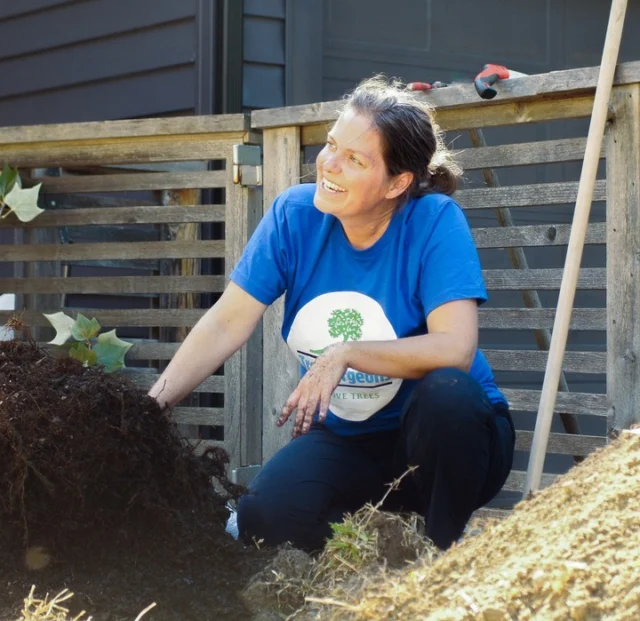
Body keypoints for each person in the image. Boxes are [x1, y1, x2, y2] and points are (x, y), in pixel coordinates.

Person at [148, 76, 515, 553]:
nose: (328, 165)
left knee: (449, 395)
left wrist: (347, 353)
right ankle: (378, 551)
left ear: (397, 182)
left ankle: (442, 557)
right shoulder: (294, 217)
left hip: (449, 443)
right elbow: (226, 320)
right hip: (351, 440)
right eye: (331, 145)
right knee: (265, 519)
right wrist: (152, 408)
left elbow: (455, 349)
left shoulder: (434, 221)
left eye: (354, 159)